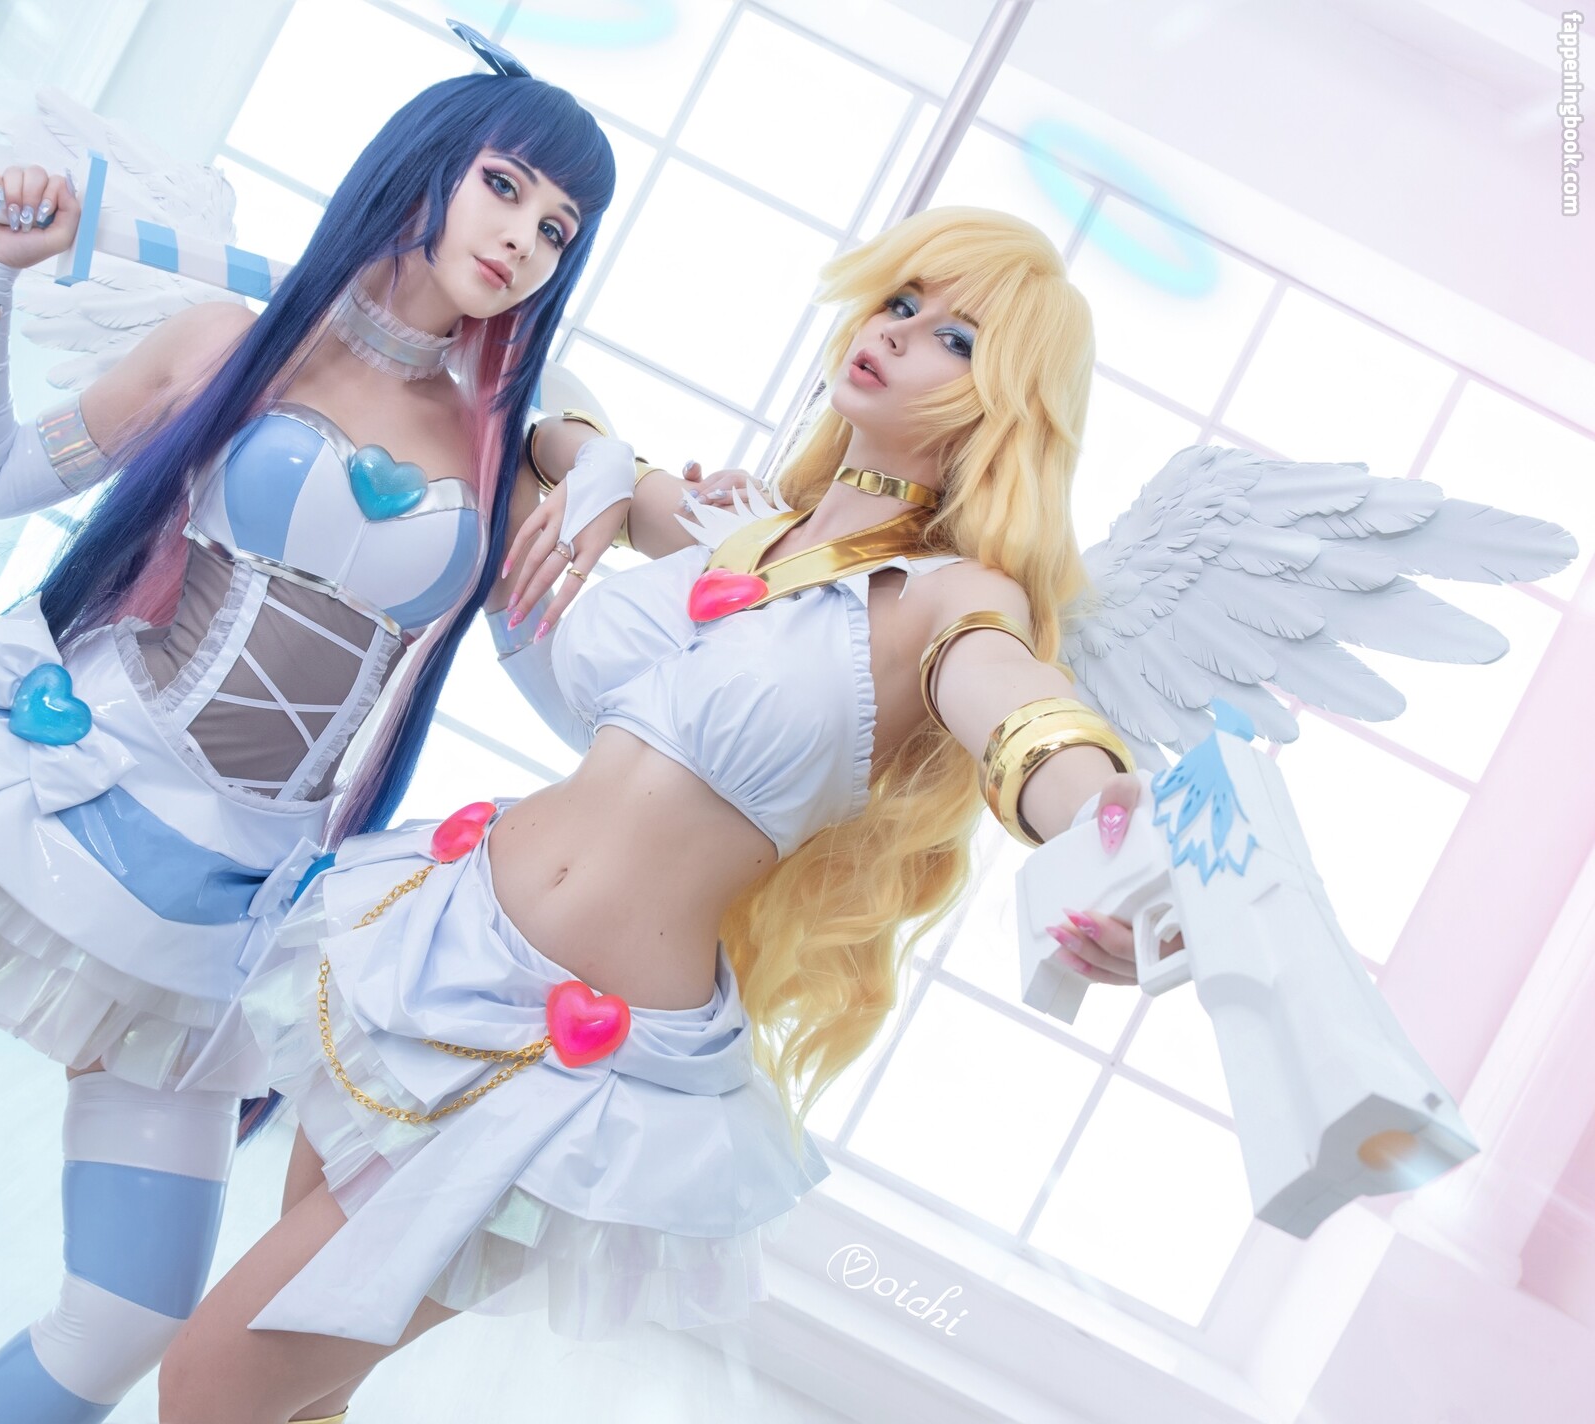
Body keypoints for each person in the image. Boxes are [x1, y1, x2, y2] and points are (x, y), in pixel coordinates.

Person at [0, 39, 619, 1424]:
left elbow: (585, 673)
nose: (524, 238)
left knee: (133, 1313)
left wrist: (622, 491)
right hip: (47, 800)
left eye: (559, 227)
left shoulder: (503, 452)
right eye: (505, 186)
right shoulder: (227, 345)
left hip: (225, 910)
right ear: (428, 166)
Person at [153, 205, 1166, 1424]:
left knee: (211, 1381)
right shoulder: (739, 523)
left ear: (1002, 406)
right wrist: (589, 470)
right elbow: (553, 424)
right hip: (434, 940)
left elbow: (1021, 709)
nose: (900, 335)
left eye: (955, 338)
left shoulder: (949, 598)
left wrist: (1103, 825)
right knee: (303, 1393)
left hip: (572, 1068)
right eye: (901, 302)